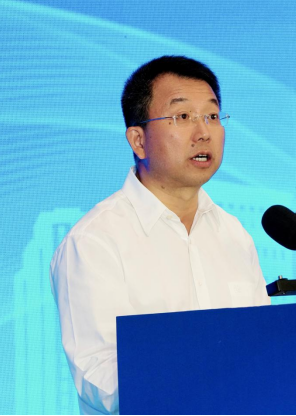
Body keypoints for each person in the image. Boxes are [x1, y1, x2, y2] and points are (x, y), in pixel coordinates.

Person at [50, 56, 271, 415]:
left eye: (212, 116)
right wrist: (206, 376)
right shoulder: (95, 240)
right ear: (138, 140)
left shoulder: (233, 234)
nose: (203, 132)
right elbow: (99, 380)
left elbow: (263, 347)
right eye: (182, 117)